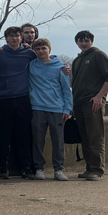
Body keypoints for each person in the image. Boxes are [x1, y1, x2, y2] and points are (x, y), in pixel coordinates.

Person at [70, 29, 108, 181]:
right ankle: (89, 168)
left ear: (91, 41)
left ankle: (97, 169)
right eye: (80, 41)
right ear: (77, 42)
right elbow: (75, 83)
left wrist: (99, 96)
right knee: (84, 137)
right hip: (78, 102)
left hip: (93, 102)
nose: (83, 43)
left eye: (86, 40)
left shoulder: (98, 55)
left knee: (95, 136)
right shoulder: (77, 60)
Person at [0, 26, 38, 180]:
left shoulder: (29, 53)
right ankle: (3, 168)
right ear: (6, 38)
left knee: (23, 135)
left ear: (21, 38)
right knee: (3, 135)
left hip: (22, 99)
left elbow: (46, 61)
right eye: (11, 36)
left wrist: (63, 68)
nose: (14, 38)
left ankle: (25, 168)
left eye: (17, 36)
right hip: (3, 99)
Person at [28, 38, 72, 181]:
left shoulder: (60, 68)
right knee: (37, 140)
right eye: (38, 49)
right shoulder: (31, 66)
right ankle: (39, 168)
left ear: (49, 49)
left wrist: (67, 109)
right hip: (37, 107)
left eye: (43, 48)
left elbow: (66, 90)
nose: (41, 51)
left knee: (58, 140)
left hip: (56, 108)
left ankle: (58, 169)